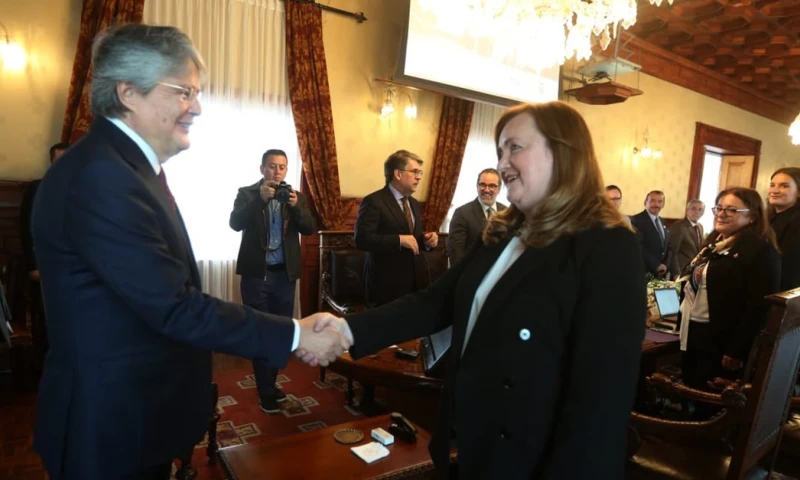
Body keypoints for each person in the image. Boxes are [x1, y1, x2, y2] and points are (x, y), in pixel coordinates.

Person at [30, 24, 345, 480]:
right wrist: (295, 334)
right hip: (109, 428)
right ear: (128, 92)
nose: (196, 107)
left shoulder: (124, 167)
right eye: (183, 92)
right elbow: (174, 305)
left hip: (131, 416)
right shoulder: (103, 177)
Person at [311, 101, 646, 478]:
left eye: (515, 147)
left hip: (529, 461)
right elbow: (435, 302)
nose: (503, 164)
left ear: (564, 152)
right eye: (500, 151)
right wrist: (347, 330)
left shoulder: (607, 244)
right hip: (470, 439)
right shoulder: (503, 232)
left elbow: (600, 404)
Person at [230, 149, 316, 414]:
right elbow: (235, 223)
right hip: (257, 275)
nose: (277, 171)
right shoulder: (247, 193)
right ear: (262, 169)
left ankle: (270, 384)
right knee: (260, 332)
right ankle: (265, 391)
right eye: (271, 166)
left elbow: (309, 228)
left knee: (280, 333)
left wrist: (295, 206)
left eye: (281, 167)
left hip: (284, 276)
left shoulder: (295, 196)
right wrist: (259, 200)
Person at [678, 188, 781, 391]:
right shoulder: (713, 245)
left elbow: (759, 306)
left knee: (708, 400)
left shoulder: (760, 250)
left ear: (752, 216)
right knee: (689, 389)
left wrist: (737, 350)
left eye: (732, 210)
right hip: (694, 330)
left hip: (722, 341)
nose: (721, 214)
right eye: (719, 208)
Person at [354, 149, 439, 307]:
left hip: (413, 284)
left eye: (419, 172)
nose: (419, 177)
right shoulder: (374, 201)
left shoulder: (413, 203)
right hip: (384, 287)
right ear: (398, 174)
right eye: (414, 172)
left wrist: (426, 242)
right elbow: (362, 239)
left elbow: (412, 240)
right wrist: (398, 240)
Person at [19, 142, 69, 366]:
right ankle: (43, 365)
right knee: (44, 318)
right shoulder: (37, 188)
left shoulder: (86, 186)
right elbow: (25, 228)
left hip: (74, 266)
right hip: (44, 265)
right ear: (51, 162)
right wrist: (33, 266)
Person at [447, 168, 507, 265]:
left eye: (492, 186)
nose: (487, 190)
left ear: (499, 189)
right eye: (483, 184)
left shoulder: (506, 212)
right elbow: (455, 253)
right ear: (477, 186)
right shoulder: (462, 213)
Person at [767, 167, 800, 290]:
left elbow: (790, 267)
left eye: (784, 186)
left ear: (799, 192)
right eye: (772, 185)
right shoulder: (767, 218)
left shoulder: (797, 222)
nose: (774, 191)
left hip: (780, 293)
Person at [630, 190, 673, 279]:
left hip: (661, 273)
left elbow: (668, 247)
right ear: (645, 202)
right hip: (643, 273)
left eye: (660, 201)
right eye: (652, 201)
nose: (656, 204)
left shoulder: (663, 221)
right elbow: (638, 246)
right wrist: (656, 265)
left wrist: (665, 265)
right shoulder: (636, 220)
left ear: (663, 204)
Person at [668, 200, 705, 277]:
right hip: (680, 271)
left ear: (703, 212)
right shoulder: (679, 226)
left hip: (693, 271)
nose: (697, 212)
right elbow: (672, 252)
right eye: (693, 208)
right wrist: (676, 273)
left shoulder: (700, 227)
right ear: (687, 210)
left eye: (700, 209)